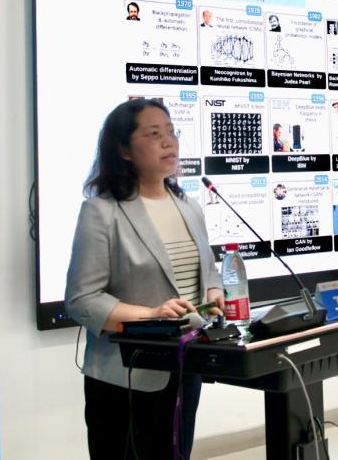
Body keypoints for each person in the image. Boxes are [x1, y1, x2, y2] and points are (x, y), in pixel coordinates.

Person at [66, 99, 224, 460]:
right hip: (126, 375)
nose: (168, 141)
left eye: (171, 132)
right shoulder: (102, 211)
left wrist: (214, 293)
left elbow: (208, 273)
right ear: (123, 150)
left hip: (185, 366)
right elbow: (82, 299)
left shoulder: (189, 206)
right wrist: (151, 314)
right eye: (154, 134)